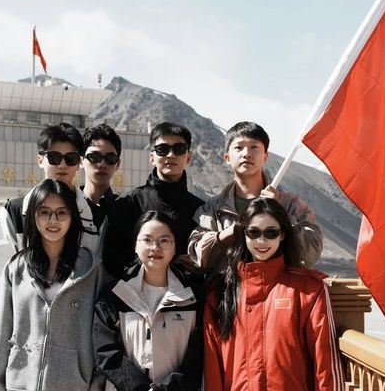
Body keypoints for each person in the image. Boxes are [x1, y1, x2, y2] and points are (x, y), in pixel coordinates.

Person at [203, 198, 344, 390]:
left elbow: (325, 361)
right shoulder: (220, 291)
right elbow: (211, 365)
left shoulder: (308, 290)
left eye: (271, 233)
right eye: (254, 232)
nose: (262, 241)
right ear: (244, 234)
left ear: (282, 235)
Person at [0, 179, 106, 391]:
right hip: (20, 386)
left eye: (61, 213)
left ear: (72, 217)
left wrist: (96, 385)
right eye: (44, 212)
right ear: (33, 217)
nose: (53, 220)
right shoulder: (16, 268)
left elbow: (103, 337)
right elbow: (0, 332)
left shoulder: (92, 271)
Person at [188, 121, 323, 273]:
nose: (247, 153)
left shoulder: (291, 204)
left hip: (278, 286)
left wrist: (279, 214)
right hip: (227, 287)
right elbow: (198, 256)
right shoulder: (213, 208)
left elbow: (310, 253)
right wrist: (229, 233)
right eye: (239, 147)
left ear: (265, 156)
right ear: (227, 157)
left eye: (254, 147)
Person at [0, 122, 97, 307]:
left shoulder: (94, 216)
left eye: (70, 158)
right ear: (40, 160)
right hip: (27, 316)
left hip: (78, 317)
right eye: (54, 157)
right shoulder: (14, 213)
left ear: (79, 163)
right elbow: (0, 279)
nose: (62, 165)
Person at [93, 211, 203, 390]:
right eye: (147, 240)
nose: (155, 247)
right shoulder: (114, 294)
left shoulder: (193, 296)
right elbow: (105, 351)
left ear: (175, 247)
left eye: (164, 240)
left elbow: (198, 356)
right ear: (135, 245)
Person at [114, 122, 203, 272]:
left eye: (179, 149)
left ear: (188, 157)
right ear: (151, 157)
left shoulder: (200, 210)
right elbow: (114, 256)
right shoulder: (128, 203)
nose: (171, 155)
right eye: (163, 149)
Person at [80, 123, 123, 277]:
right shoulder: (66, 207)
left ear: (117, 164)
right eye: (94, 157)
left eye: (110, 158)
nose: (102, 164)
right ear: (81, 160)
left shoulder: (125, 209)